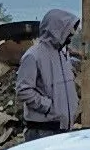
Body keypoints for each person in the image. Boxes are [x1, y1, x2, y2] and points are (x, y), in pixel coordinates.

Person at [14, 8, 81, 139]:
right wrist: (47, 106)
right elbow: (23, 90)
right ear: (57, 30)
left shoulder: (62, 54)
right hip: (43, 130)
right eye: (68, 31)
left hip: (63, 128)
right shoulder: (33, 55)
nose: (71, 35)